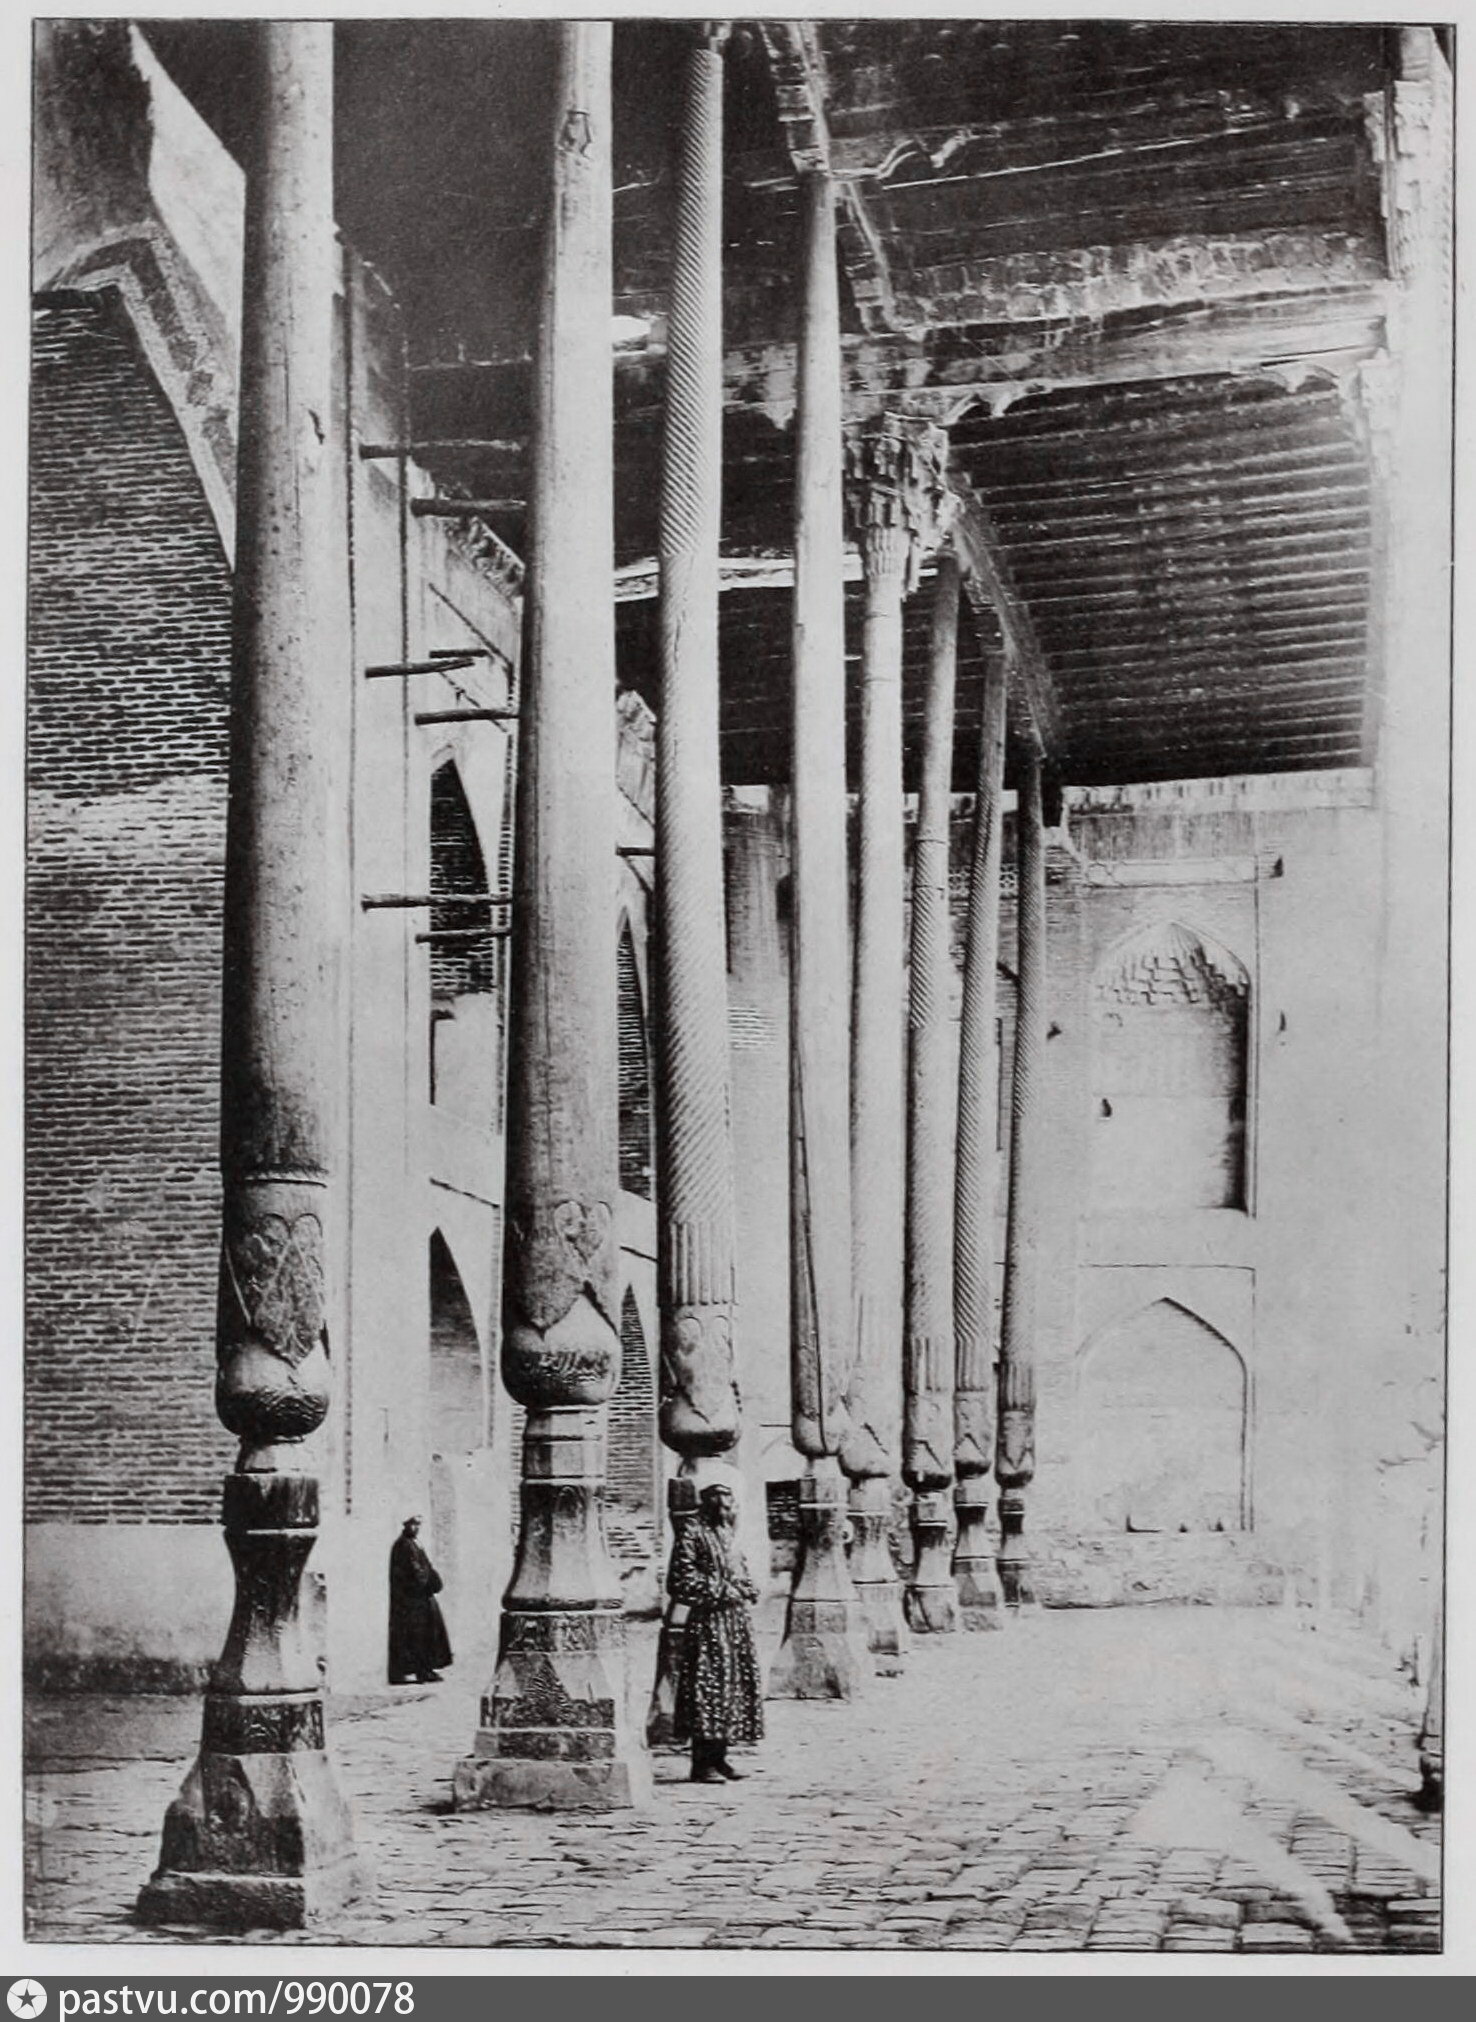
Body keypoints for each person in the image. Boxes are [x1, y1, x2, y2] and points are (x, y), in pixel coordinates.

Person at [669, 1480, 764, 1783]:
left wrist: (747, 1586)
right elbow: (681, 1579)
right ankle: (702, 1763)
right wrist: (722, 1590)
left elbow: (738, 1567)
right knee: (707, 1687)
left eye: (728, 1505)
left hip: (735, 1621)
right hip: (708, 1621)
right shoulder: (692, 1532)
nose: (724, 1511)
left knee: (731, 1687)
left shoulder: (727, 1533)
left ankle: (720, 1757)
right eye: (719, 1505)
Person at [387, 1516, 453, 1685]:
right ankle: (421, 1670)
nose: (416, 1527)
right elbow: (415, 1572)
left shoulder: (414, 1544)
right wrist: (427, 1583)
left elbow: (426, 1567)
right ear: (406, 1525)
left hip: (422, 1598)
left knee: (428, 1634)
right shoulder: (403, 1545)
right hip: (413, 1600)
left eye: (418, 1524)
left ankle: (427, 1668)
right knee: (418, 1636)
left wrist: (433, 1581)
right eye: (413, 1524)